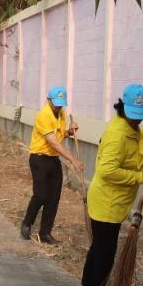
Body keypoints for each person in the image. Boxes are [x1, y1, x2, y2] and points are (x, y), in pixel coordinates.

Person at [75, 84, 143, 286]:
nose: (137, 120)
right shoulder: (117, 134)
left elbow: (140, 136)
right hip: (107, 201)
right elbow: (107, 171)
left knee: (100, 247)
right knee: (105, 250)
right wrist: (139, 177)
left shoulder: (128, 126)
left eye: (140, 116)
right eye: (134, 116)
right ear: (122, 106)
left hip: (114, 201)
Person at [21, 86, 83, 245]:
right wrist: (73, 159)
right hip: (39, 158)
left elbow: (60, 135)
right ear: (48, 100)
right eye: (56, 103)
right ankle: (27, 224)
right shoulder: (43, 115)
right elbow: (54, 142)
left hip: (53, 159)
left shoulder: (61, 113)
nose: (59, 106)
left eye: (61, 104)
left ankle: (45, 233)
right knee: (41, 195)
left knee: (54, 198)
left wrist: (70, 131)